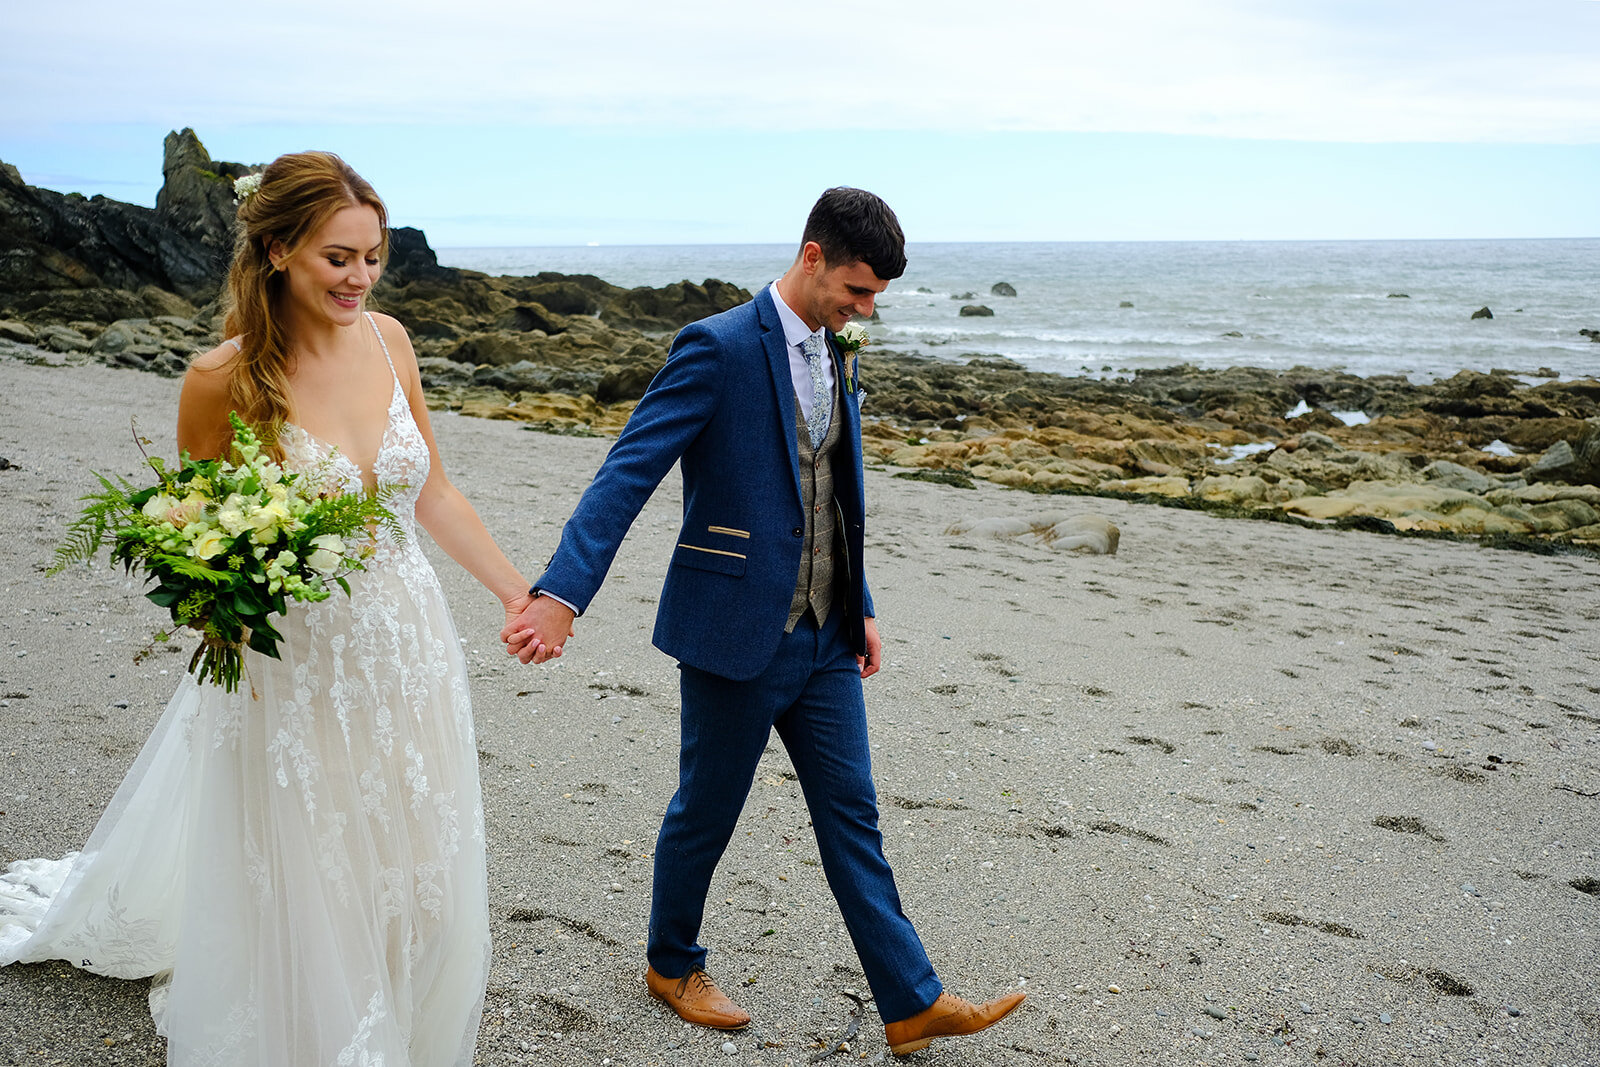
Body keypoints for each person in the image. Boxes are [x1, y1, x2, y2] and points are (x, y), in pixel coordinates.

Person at [0, 151, 533, 1065]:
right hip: (294, 653)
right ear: (280, 249)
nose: (359, 278)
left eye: (372, 256)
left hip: (406, 637)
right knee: (316, 855)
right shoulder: (223, 378)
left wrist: (518, 590)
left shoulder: (391, 341)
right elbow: (197, 541)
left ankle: (399, 1003)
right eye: (338, 258)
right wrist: (229, 632)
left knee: (412, 841)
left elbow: (434, 490)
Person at [502, 187, 1025, 1056]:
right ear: (812, 255)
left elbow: (838, 491)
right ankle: (672, 964)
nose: (865, 311)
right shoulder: (714, 348)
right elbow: (626, 472)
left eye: (875, 300)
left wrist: (858, 603)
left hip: (825, 638)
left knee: (852, 815)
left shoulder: (838, 348)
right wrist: (561, 593)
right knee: (706, 813)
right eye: (857, 291)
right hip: (733, 629)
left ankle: (911, 1000)